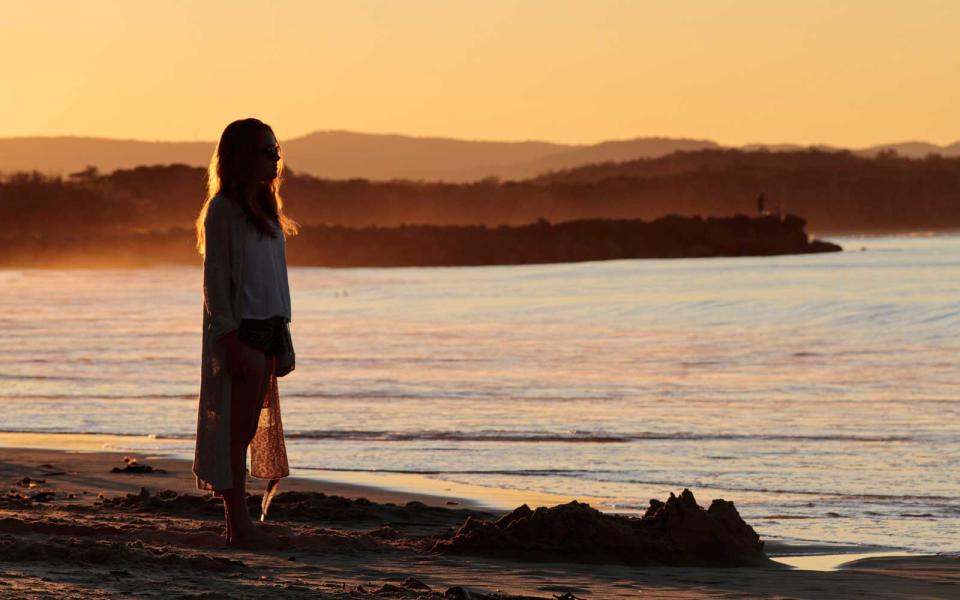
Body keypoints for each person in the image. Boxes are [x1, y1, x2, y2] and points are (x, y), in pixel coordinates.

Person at [192, 118, 299, 547]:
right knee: (235, 434)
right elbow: (215, 282)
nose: (274, 158)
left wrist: (285, 337)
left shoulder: (267, 209)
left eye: (276, 151)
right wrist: (229, 339)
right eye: (265, 150)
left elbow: (276, 279)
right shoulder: (223, 210)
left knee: (249, 430)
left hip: (270, 328)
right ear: (238, 156)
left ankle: (241, 524)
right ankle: (239, 527)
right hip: (244, 330)